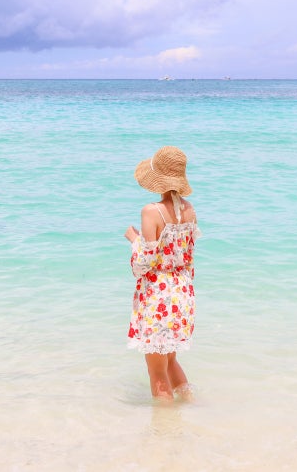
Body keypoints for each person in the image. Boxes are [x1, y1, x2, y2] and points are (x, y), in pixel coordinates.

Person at [124, 146, 201, 402]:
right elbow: (188, 257)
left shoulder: (151, 211)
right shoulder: (190, 210)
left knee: (156, 371)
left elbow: (144, 263)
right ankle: (190, 404)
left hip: (159, 296)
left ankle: (165, 423)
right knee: (170, 361)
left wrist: (133, 238)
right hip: (182, 293)